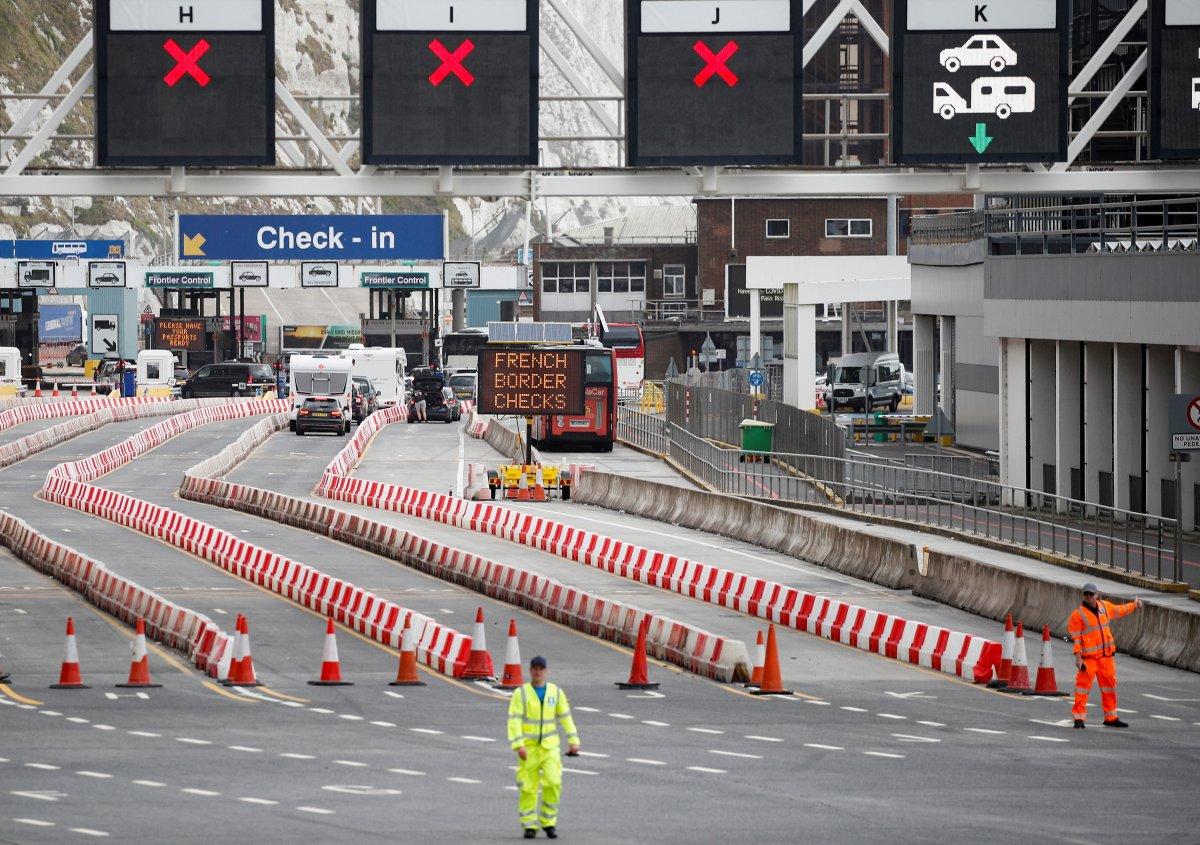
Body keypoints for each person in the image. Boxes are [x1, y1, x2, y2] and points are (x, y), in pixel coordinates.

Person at [507, 656, 580, 839]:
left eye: (541, 669)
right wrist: (518, 745)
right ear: (530, 670)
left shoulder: (555, 692)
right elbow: (514, 720)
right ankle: (529, 825)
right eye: (534, 668)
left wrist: (573, 740)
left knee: (554, 782)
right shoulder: (521, 693)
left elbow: (565, 717)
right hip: (529, 749)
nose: (538, 672)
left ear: (546, 671)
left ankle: (549, 822)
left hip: (550, 748)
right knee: (528, 787)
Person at [1068, 582, 1141, 729]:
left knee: (1110, 687)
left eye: (1091, 594)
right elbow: (1076, 639)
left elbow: (1120, 610)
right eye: (1086, 594)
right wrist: (1078, 657)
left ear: (1097, 594)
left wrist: (1134, 605)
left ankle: (1111, 717)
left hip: (1106, 657)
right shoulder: (1078, 615)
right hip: (1089, 659)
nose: (1088, 597)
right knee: (1082, 688)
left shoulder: (1104, 607)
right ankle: (1079, 718)